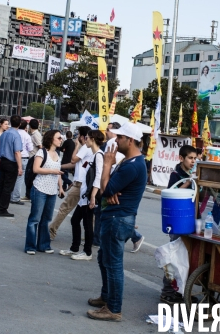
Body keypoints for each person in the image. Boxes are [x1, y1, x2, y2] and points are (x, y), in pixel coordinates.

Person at [87, 122, 147, 322]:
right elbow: (109, 188)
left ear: (130, 140)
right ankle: (106, 297)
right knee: (104, 259)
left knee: (113, 264)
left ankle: (113, 308)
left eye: (120, 138)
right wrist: (108, 188)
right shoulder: (129, 162)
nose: (115, 140)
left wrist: (106, 165)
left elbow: (107, 188)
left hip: (117, 219)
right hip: (114, 216)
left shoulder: (133, 165)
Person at [160, 144, 197, 304]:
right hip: (177, 222)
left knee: (186, 258)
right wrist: (189, 182)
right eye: (190, 158)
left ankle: (182, 291)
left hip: (190, 220)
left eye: (195, 158)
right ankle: (167, 291)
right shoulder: (176, 174)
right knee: (174, 257)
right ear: (181, 158)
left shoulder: (192, 174)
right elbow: (174, 193)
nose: (193, 161)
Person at [60, 130, 104, 261]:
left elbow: (98, 177)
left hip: (90, 194)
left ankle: (87, 252)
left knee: (87, 223)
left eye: (88, 138)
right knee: (75, 220)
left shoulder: (99, 156)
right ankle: (74, 248)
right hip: (84, 193)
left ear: (93, 139)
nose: (86, 140)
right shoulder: (92, 154)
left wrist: (93, 196)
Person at [25, 130, 64, 255]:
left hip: (52, 191)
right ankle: (30, 246)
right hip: (40, 188)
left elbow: (58, 173)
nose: (61, 140)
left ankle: (43, 245)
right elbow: (36, 169)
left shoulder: (58, 154)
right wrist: (52, 171)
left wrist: (61, 187)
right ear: (51, 138)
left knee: (46, 219)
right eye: (58, 138)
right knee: (35, 219)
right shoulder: (42, 152)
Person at [49, 126, 92, 240]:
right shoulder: (89, 148)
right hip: (81, 183)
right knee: (87, 213)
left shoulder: (84, 147)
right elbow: (75, 164)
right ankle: (91, 237)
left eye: (78, 135)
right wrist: (59, 166)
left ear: (82, 137)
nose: (76, 137)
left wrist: (76, 145)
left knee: (65, 208)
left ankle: (51, 231)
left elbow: (73, 160)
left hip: (80, 184)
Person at [0, 115, 23, 217]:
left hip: (3, 161)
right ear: (19, 124)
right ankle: (3, 208)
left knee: (1, 186)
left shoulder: (4, 134)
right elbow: (17, 152)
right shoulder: (16, 135)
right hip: (11, 163)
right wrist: (20, 167)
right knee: (8, 187)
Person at [10, 120, 33, 204]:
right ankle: (15, 197)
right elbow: (30, 149)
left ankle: (9, 195)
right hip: (23, 157)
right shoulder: (26, 136)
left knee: (12, 177)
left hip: (13, 157)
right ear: (25, 127)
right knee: (19, 179)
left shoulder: (13, 133)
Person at [21, 118, 43, 200]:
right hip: (32, 157)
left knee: (29, 177)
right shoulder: (35, 134)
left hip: (33, 157)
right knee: (29, 177)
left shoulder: (35, 135)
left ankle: (28, 195)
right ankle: (28, 195)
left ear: (30, 126)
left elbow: (40, 146)